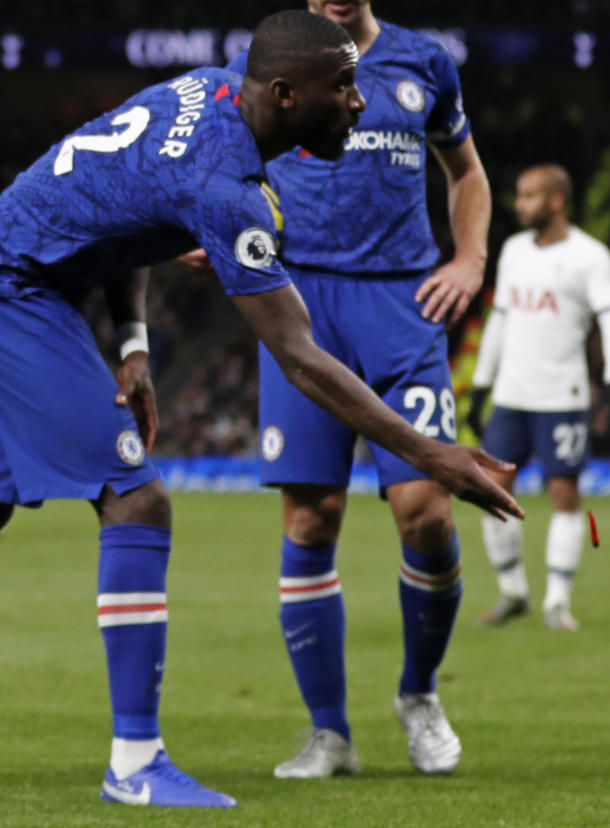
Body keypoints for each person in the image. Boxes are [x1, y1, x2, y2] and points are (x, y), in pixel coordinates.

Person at [0, 11, 522, 809]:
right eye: (341, 87)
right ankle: (135, 762)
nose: (358, 102)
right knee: (136, 496)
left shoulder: (205, 93)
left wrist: (133, 343)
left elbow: (127, 209)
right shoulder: (225, 187)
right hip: (14, 289)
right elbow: (300, 357)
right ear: (285, 94)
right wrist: (435, 454)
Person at [225, 0, 491, 778]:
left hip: (401, 306)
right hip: (298, 304)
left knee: (425, 510)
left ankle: (419, 693)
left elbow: (466, 171)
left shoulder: (425, 62)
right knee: (310, 519)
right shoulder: (271, 60)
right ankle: (328, 733)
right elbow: (226, 159)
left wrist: (469, 259)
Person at [467, 164, 610, 631]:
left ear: (557, 200)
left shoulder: (590, 256)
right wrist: (481, 383)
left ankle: (557, 601)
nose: (520, 205)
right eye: (519, 195)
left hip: (562, 394)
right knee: (491, 491)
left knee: (563, 492)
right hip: (511, 394)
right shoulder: (514, 251)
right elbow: (499, 319)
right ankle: (513, 591)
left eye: (530, 196)